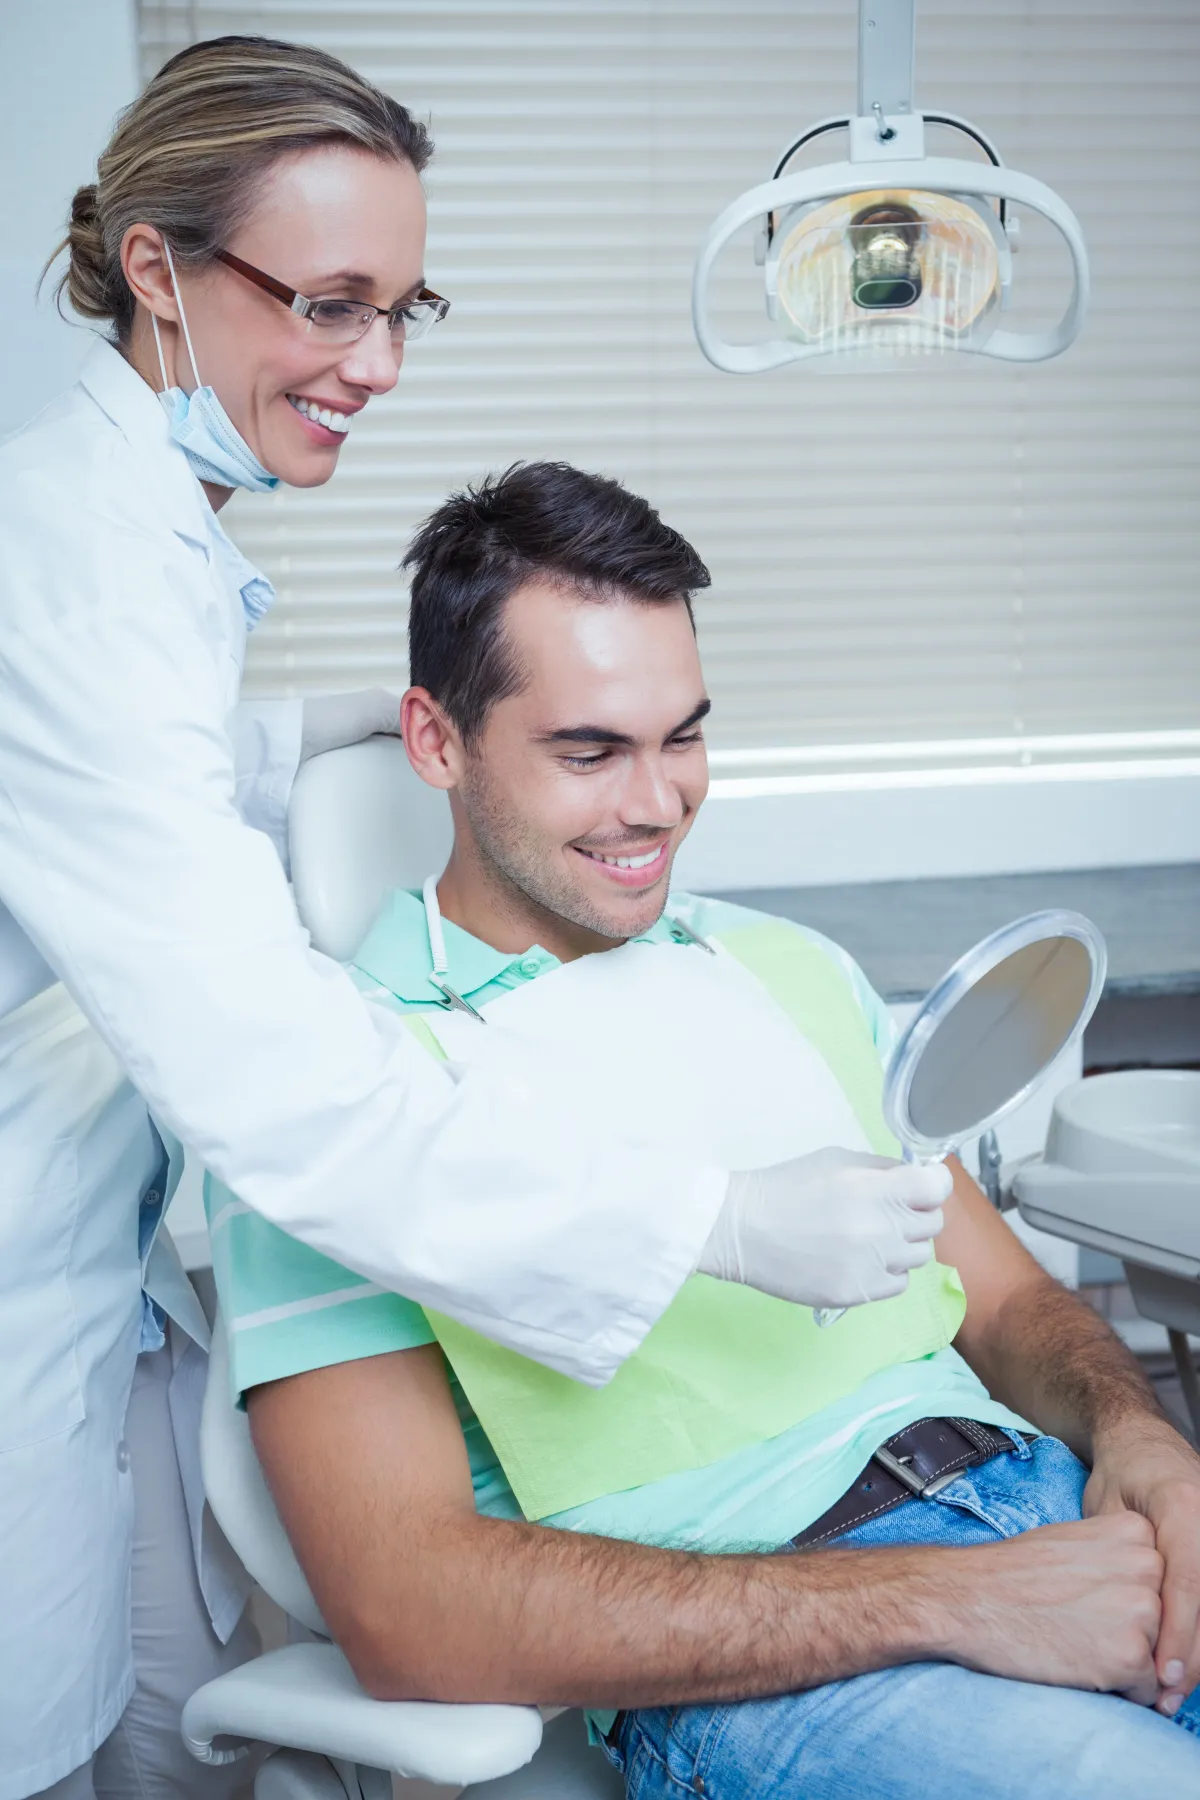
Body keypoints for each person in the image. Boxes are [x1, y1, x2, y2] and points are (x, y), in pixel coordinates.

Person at [0, 37, 947, 1800]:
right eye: (331, 303)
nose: (376, 364)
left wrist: (284, 747)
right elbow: (291, 1086)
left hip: (87, 1277)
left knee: (142, 1720)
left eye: (404, 308)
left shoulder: (139, 540)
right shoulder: (69, 572)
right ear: (154, 271)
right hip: (30, 1263)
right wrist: (716, 1226)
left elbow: (107, 786)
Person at [213, 461, 1200, 1799]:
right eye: (590, 750)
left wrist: (1139, 1439)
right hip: (780, 1657)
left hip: (1054, 1516)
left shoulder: (783, 968)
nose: (657, 803)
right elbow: (406, 1604)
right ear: (436, 742)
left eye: (682, 736)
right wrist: (958, 1599)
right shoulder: (343, 1092)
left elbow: (1010, 1303)